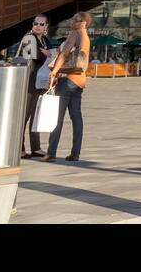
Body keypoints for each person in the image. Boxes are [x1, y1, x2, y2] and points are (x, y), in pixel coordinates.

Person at [45, 11, 91, 163]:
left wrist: (54, 73)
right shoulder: (86, 37)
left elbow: (64, 54)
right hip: (80, 81)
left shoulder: (75, 33)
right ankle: (75, 153)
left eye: (76, 19)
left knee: (57, 116)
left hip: (69, 80)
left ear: (83, 22)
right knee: (76, 117)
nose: (73, 21)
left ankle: (51, 153)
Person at [16, 15, 51, 158]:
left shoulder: (45, 40)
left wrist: (48, 54)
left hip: (40, 82)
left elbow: (50, 56)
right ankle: (19, 147)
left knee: (37, 115)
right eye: (35, 23)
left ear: (46, 27)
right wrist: (47, 54)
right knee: (24, 116)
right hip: (28, 82)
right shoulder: (28, 38)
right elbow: (32, 56)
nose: (38, 26)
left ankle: (36, 147)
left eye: (41, 24)